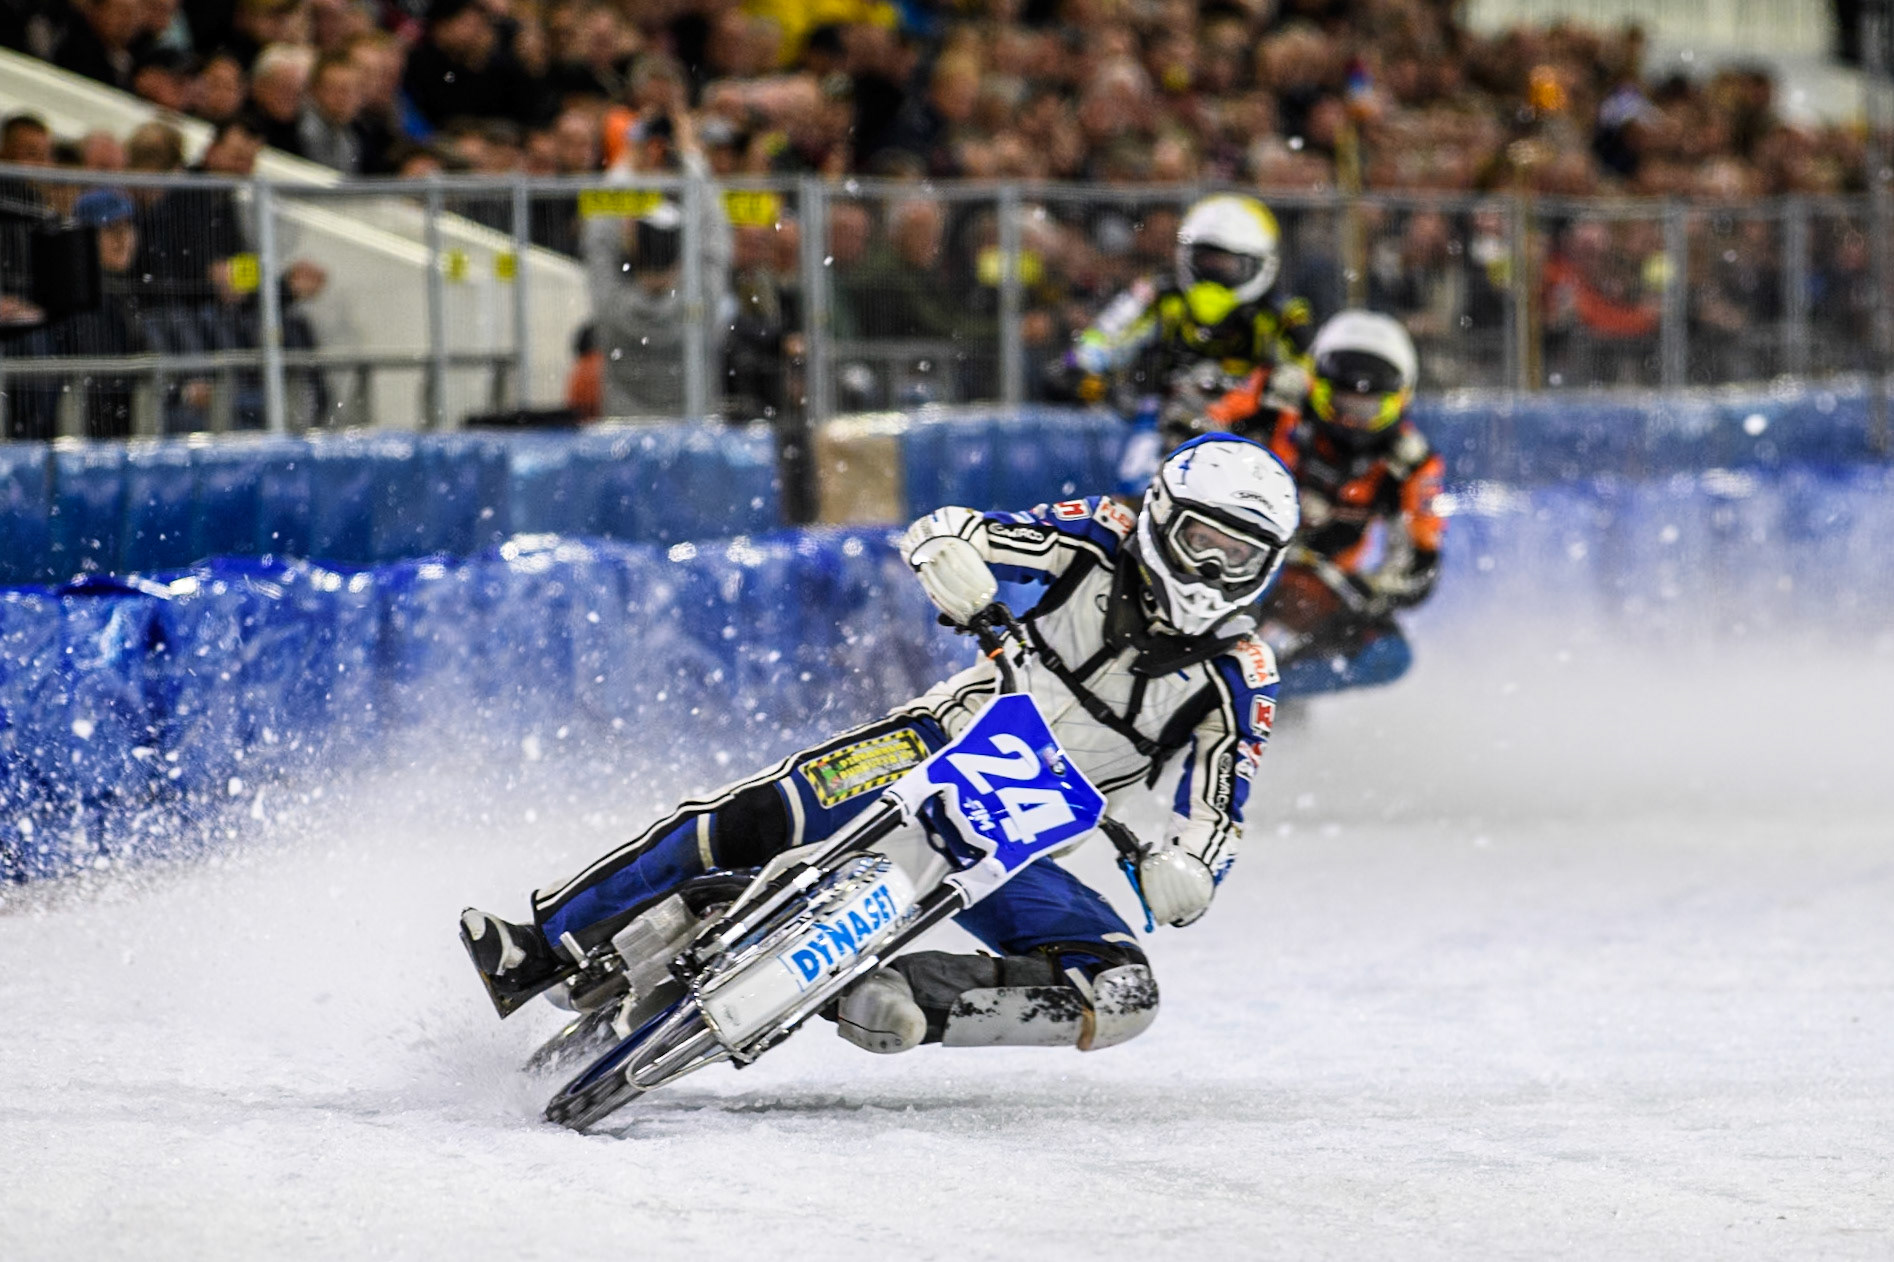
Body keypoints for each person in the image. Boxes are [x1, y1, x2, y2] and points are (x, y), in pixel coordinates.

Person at [463, 433, 1298, 1055]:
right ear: (1161, 519)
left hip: (1015, 845)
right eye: (1203, 543)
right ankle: (541, 946)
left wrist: (1191, 867)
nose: (1213, 572)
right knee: (753, 815)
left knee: (1121, 989)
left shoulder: (1241, 675)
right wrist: (953, 557)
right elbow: (959, 529)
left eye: (1240, 557)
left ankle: (886, 991)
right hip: (930, 748)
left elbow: (1219, 811)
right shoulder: (1098, 536)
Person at [1229, 310, 1445, 696]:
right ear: (1314, 384)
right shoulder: (1272, 400)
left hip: (1322, 584)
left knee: (1388, 655)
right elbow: (1195, 439)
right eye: (1341, 401)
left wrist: (1369, 589)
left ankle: (1265, 694)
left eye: (1369, 407)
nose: (1352, 419)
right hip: (1233, 553)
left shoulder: (1410, 463)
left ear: (1400, 401)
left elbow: (1420, 565)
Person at [1054, 193, 1315, 491]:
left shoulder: (1283, 314)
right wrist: (1086, 372)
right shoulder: (1160, 294)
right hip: (1163, 420)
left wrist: (1279, 388)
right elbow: (1097, 343)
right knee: (1140, 486)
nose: (1214, 273)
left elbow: (1313, 377)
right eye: (1207, 261)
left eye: (1226, 264)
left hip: (1251, 429)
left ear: (1259, 264)